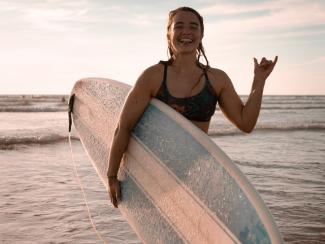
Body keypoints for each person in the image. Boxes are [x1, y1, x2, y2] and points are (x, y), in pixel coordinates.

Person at [107, 6, 278, 208]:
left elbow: (245, 123)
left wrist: (258, 82)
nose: (186, 31)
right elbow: (124, 127)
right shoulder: (152, 77)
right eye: (179, 26)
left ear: (202, 34)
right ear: (168, 33)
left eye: (193, 26)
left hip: (197, 177)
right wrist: (111, 175)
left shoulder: (217, 79)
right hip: (155, 174)